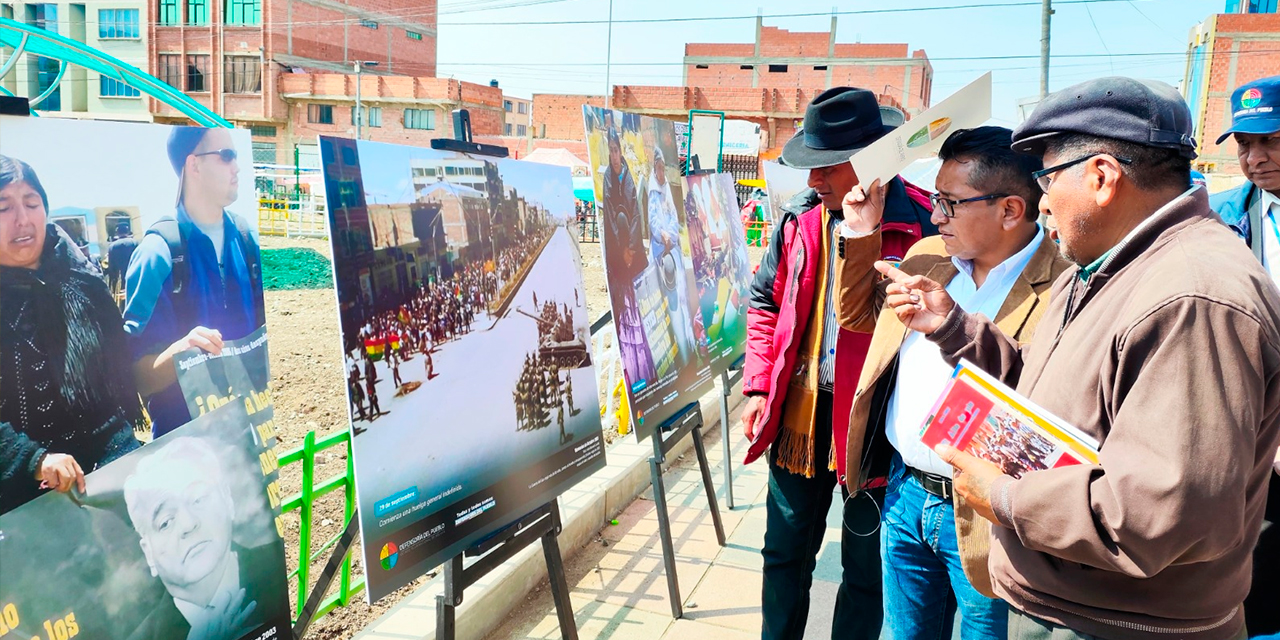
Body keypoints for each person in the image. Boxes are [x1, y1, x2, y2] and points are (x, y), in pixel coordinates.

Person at [875, 77, 1280, 640]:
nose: (1041, 202)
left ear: (1102, 177)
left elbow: (1165, 514)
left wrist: (1002, 495)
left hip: (1119, 621)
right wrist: (953, 329)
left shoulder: (1194, 294)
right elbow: (1048, 392)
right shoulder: (1109, 265)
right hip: (1074, 599)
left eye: (1047, 178)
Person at [837, 127, 1070, 640]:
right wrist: (859, 232)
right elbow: (856, 315)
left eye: (950, 203)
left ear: (1010, 210)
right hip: (904, 494)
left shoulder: (1063, 289)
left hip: (989, 515)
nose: (935, 214)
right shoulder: (927, 257)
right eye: (936, 200)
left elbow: (1045, 400)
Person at [740, 87, 935, 640]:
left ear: (872, 159)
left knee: (867, 570)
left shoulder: (921, 224)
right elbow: (763, 302)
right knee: (783, 551)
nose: (813, 180)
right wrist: (758, 388)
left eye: (826, 167)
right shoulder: (797, 221)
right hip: (801, 415)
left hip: (875, 424)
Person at [0, 155, 142, 516]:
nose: (23, 219)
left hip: (100, 485)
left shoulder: (82, 283)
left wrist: (121, 459)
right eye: (4, 207)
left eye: (32, 204)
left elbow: (110, 396)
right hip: (17, 507)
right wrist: (34, 460)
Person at [123, 127, 265, 439]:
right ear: (194, 165)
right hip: (186, 449)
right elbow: (138, 378)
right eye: (226, 156)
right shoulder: (158, 253)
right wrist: (182, 351)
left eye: (236, 156)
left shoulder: (246, 241)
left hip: (248, 436)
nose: (236, 167)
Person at [1205, 75, 1280, 636]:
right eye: (1245, 144)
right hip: (1252, 441)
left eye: (1272, 140)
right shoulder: (1219, 217)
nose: (1256, 158)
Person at [123, 437, 286, 640]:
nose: (189, 524)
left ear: (227, 500)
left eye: (198, 499)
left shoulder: (283, 565)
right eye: (165, 522)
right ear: (148, 553)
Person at [600, 121, 656, 385]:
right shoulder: (607, 179)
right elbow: (610, 217)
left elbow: (635, 213)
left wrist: (632, 248)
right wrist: (621, 250)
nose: (613, 155)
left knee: (638, 304)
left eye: (616, 150)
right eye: (610, 150)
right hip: (616, 250)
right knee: (623, 308)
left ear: (621, 152)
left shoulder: (628, 175)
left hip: (631, 248)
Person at [107, 222, 138, 302]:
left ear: (117, 233)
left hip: (120, 283)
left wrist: (113, 285)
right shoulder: (134, 243)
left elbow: (111, 268)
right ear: (128, 231)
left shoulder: (112, 246)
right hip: (134, 279)